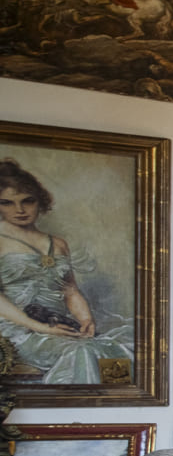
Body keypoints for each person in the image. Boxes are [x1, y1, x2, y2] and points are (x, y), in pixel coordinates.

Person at [0, 157, 134, 384]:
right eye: (7, 203)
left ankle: (118, 403)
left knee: (113, 350)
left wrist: (86, 320)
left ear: (40, 200)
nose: (20, 210)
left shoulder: (58, 243)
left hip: (58, 323)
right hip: (19, 329)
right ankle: (83, 404)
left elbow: (70, 290)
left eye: (28, 201)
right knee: (82, 352)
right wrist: (41, 328)